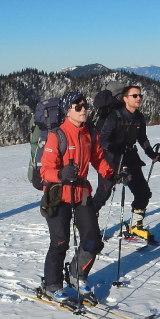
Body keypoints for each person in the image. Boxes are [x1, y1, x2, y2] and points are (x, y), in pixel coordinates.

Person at [39, 91, 126, 303]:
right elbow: (45, 171)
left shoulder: (90, 133)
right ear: (67, 111)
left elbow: (97, 157)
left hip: (81, 194)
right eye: (77, 107)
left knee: (93, 240)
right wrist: (60, 174)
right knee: (60, 242)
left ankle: (77, 275)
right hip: (58, 195)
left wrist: (112, 173)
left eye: (84, 105)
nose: (83, 109)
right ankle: (52, 285)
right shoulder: (57, 135)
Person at [92, 85, 160, 240]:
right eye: (134, 96)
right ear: (125, 98)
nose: (139, 98)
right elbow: (102, 139)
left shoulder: (139, 117)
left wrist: (151, 154)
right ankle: (88, 223)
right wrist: (115, 148)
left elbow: (142, 138)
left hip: (130, 157)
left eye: (139, 95)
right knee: (103, 193)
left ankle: (136, 226)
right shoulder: (114, 116)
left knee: (143, 192)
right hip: (110, 159)